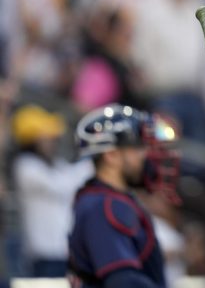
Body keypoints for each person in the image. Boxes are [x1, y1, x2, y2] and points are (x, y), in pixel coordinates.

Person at [67, 104, 180, 288]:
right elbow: (123, 281)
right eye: (138, 148)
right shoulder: (102, 206)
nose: (145, 155)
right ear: (111, 155)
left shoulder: (108, 199)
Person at [11, 104, 93, 277]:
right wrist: (91, 161)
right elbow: (64, 186)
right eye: (46, 138)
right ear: (32, 140)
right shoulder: (25, 167)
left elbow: (72, 176)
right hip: (45, 254)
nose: (52, 142)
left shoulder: (56, 164)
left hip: (66, 251)